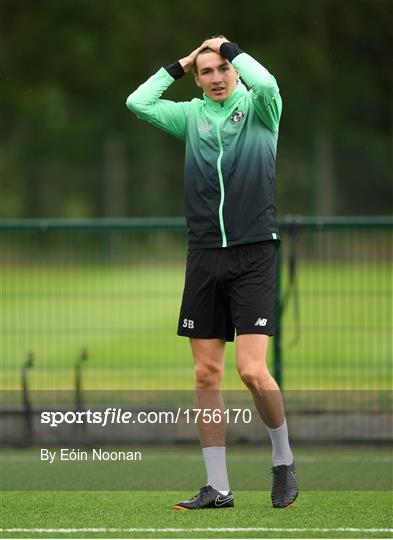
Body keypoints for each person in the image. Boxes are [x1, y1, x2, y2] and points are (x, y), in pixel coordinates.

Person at [126, 36, 298, 510]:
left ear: (236, 70)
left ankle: (283, 460)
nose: (217, 77)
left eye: (223, 68)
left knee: (252, 371)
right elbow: (137, 101)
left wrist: (231, 47)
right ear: (198, 79)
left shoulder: (262, 107)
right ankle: (218, 488)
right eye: (207, 71)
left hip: (254, 252)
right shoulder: (190, 116)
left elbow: (269, 80)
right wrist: (182, 62)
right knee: (206, 376)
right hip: (204, 255)